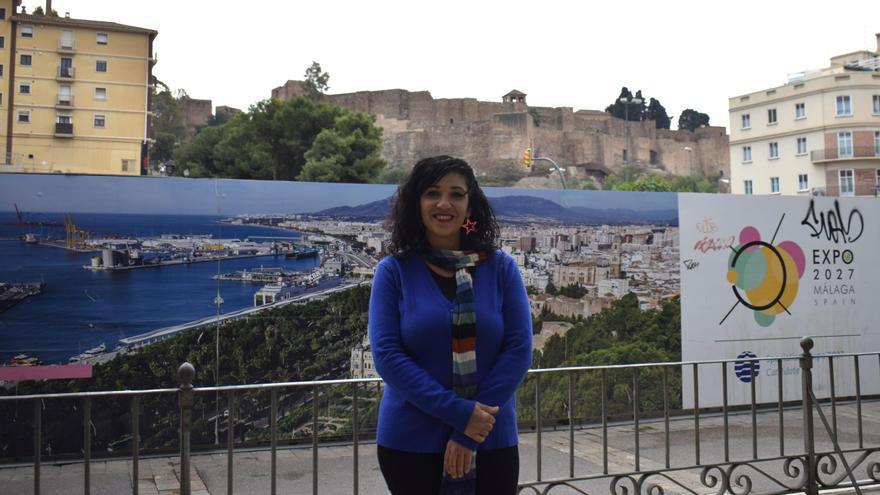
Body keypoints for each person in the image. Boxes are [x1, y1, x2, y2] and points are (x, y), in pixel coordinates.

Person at [369, 155, 532, 494]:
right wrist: (462, 414)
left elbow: (518, 350)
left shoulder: (501, 268)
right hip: (411, 441)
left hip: (491, 439)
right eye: (432, 193)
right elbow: (388, 356)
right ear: (416, 203)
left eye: (456, 194)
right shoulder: (394, 271)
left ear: (470, 206)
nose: (444, 203)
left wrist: (469, 430)